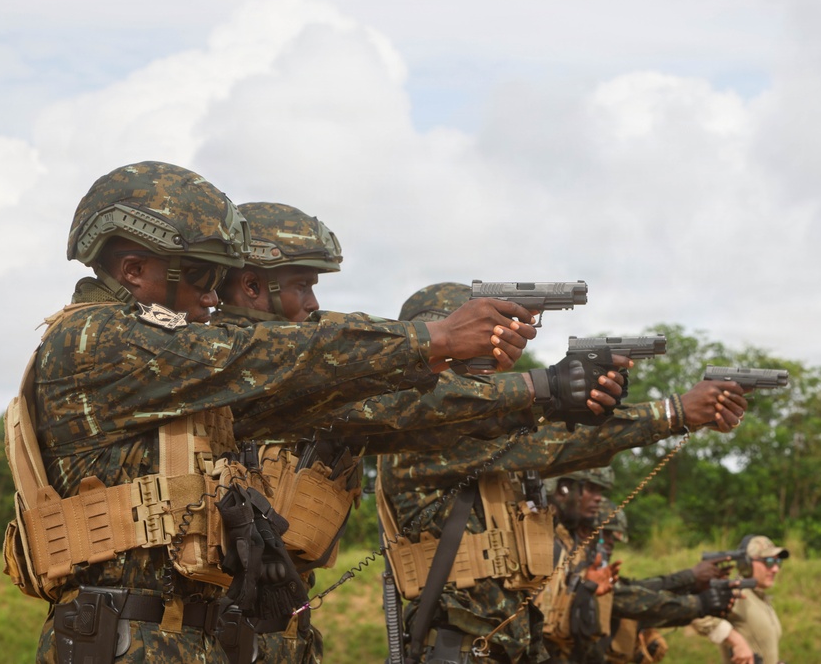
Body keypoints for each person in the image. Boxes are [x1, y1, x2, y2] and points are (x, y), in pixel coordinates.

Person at [1, 161, 538, 664]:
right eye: (201, 277)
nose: (214, 297)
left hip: (181, 638)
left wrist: (463, 365)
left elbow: (315, 389)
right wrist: (432, 337)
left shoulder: (168, 367)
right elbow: (263, 356)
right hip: (125, 636)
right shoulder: (96, 339)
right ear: (135, 270)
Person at [213, 203, 625, 663]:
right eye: (301, 286)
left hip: (275, 628)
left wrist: (546, 397)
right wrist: (544, 389)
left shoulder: (299, 372)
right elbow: (417, 407)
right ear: (251, 285)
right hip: (219, 627)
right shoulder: (225, 362)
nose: (312, 304)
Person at [375, 282, 750, 664]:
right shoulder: (415, 432)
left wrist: (581, 404)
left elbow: (556, 442)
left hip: (506, 645)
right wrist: (672, 413)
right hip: (458, 649)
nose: (491, 348)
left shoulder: (476, 431)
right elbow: (550, 444)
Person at [588, 498, 733, 664]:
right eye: (605, 535)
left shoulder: (600, 574)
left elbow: (638, 592)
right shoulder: (577, 568)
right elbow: (631, 600)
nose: (610, 543)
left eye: (612, 537)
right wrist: (698, 601)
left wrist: (694, 587)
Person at [691, 535, 790, 664]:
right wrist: (736, 640)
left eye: (778, 562)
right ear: (746, 564)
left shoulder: (760, 598)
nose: (775, 569)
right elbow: (695, 613)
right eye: (769, 562)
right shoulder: (737, 593)